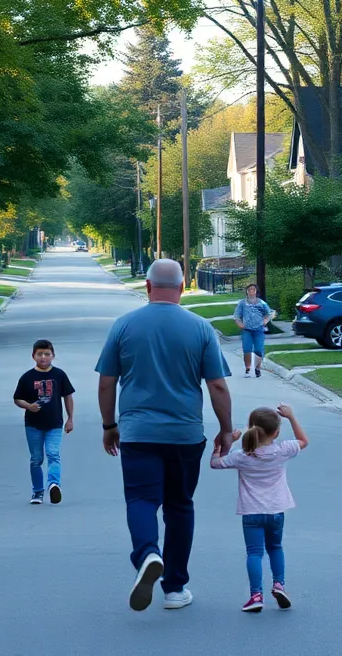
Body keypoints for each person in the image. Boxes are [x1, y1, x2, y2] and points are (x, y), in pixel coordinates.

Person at [96, 258, 234, 613]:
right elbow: (217, 385)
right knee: (179, 506)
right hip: (186, 434)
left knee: (142, 500)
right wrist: (226, 430)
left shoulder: (124, 325)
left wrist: (109, 426)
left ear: (147, 286)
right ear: (184, 286)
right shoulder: (201, 328)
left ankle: (147, 554)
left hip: (138, 433)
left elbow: (107, 381)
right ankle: (174, 588)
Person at [211, 403, 309, 613]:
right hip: (276, 511)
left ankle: (256, 595)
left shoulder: (241, 456)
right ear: (276, 432)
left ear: (250, 428)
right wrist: (291, 417)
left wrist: (221, 445)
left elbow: (215, 463)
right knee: (275, 547)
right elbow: (303, 441)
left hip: (251, 513)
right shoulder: (282, 450)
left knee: (254, 553)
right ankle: (279, 585)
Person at [13, 339, 75, 505]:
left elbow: (68, 396)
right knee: (36, 458)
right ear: (33, 356)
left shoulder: (59, 375)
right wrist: (28, 406)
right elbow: (17, 399)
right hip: (33, 425)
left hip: (55, 424)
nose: (43, 357)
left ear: (53, 356)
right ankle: (37, 491)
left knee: (53, 454)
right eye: (39, 354)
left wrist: (70, 418)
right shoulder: (27, 377)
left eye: (47, 354)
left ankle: (54, 484)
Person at [234, 284, 275, 378]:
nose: (251, 291)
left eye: (253, 290)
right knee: (247, 350)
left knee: (258, 350)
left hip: (259, 330)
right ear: (247, 292)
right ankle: (248, 369)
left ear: (256, 292)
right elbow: (236, 315)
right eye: (249, 290)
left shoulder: (261, 303)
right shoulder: (242, 303)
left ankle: (257, 368)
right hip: (247, 330)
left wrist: (265, 321)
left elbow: (269, 313)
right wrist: (239, 323)